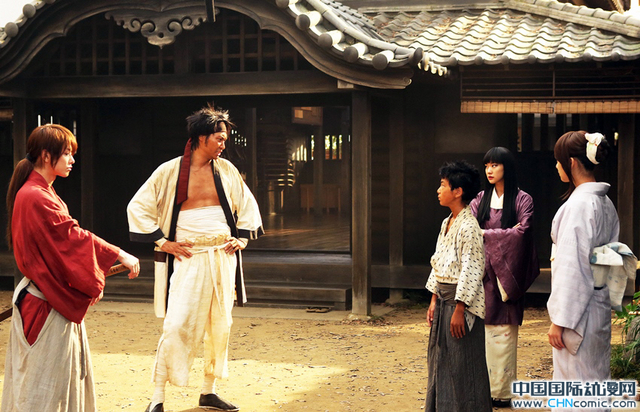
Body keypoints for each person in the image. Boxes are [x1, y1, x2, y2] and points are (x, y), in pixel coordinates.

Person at [127, 104, 263, 412]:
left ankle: (208, 391)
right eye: (219, 138)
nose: (223, 144)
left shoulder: (226, 170)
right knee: (177, 325)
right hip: (189, 256)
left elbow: (247, 205)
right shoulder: (170, 171)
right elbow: (138, 206)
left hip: (222, 256)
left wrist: (241, 238)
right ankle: (157, 397)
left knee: (220, 325)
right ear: (202, 137)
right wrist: (164, 242)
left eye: (225, 139)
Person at [2, 124, 140, 412]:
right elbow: (70, 237)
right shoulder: (36, 195)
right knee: (43, 386)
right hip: (44, 303)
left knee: (53, 381)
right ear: (45, 155)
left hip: (46, 297)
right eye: (66, 153)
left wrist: (90, 276)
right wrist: (118, 253)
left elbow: (63, 242)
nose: (72, 160)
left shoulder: (41, 191)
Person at [547, 131, 617, 395]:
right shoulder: (605, 203)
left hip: (577, 315)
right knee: (594, 380)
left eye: (558, 161)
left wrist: (560, 320)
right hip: (597, 305)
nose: (557, 166)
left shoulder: (578, 206)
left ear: (572, 162)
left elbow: (572, 268)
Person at [469, 147, 539, 407]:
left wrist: (487, 235)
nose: (489, 170)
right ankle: (482, 390)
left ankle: (502, 392)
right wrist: (503, 234)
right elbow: (470, 229)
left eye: (495, 165)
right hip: (483, 275)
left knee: (504, 335)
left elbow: (523, 233)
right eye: (487, 165)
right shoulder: (480, 199)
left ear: (506, 167)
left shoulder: (522, 199)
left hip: (506, 276)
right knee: (482, 336)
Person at [425, 160, 492, 412]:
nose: (438, 190)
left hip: (459, 304)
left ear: (458, 191)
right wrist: (433, 300)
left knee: (463, 364)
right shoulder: (447, 223)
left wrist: (460, 309)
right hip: (444, 301)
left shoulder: (469, 226)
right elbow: (438, 261)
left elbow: (472, 269)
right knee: (440, 361)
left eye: (443, 185)